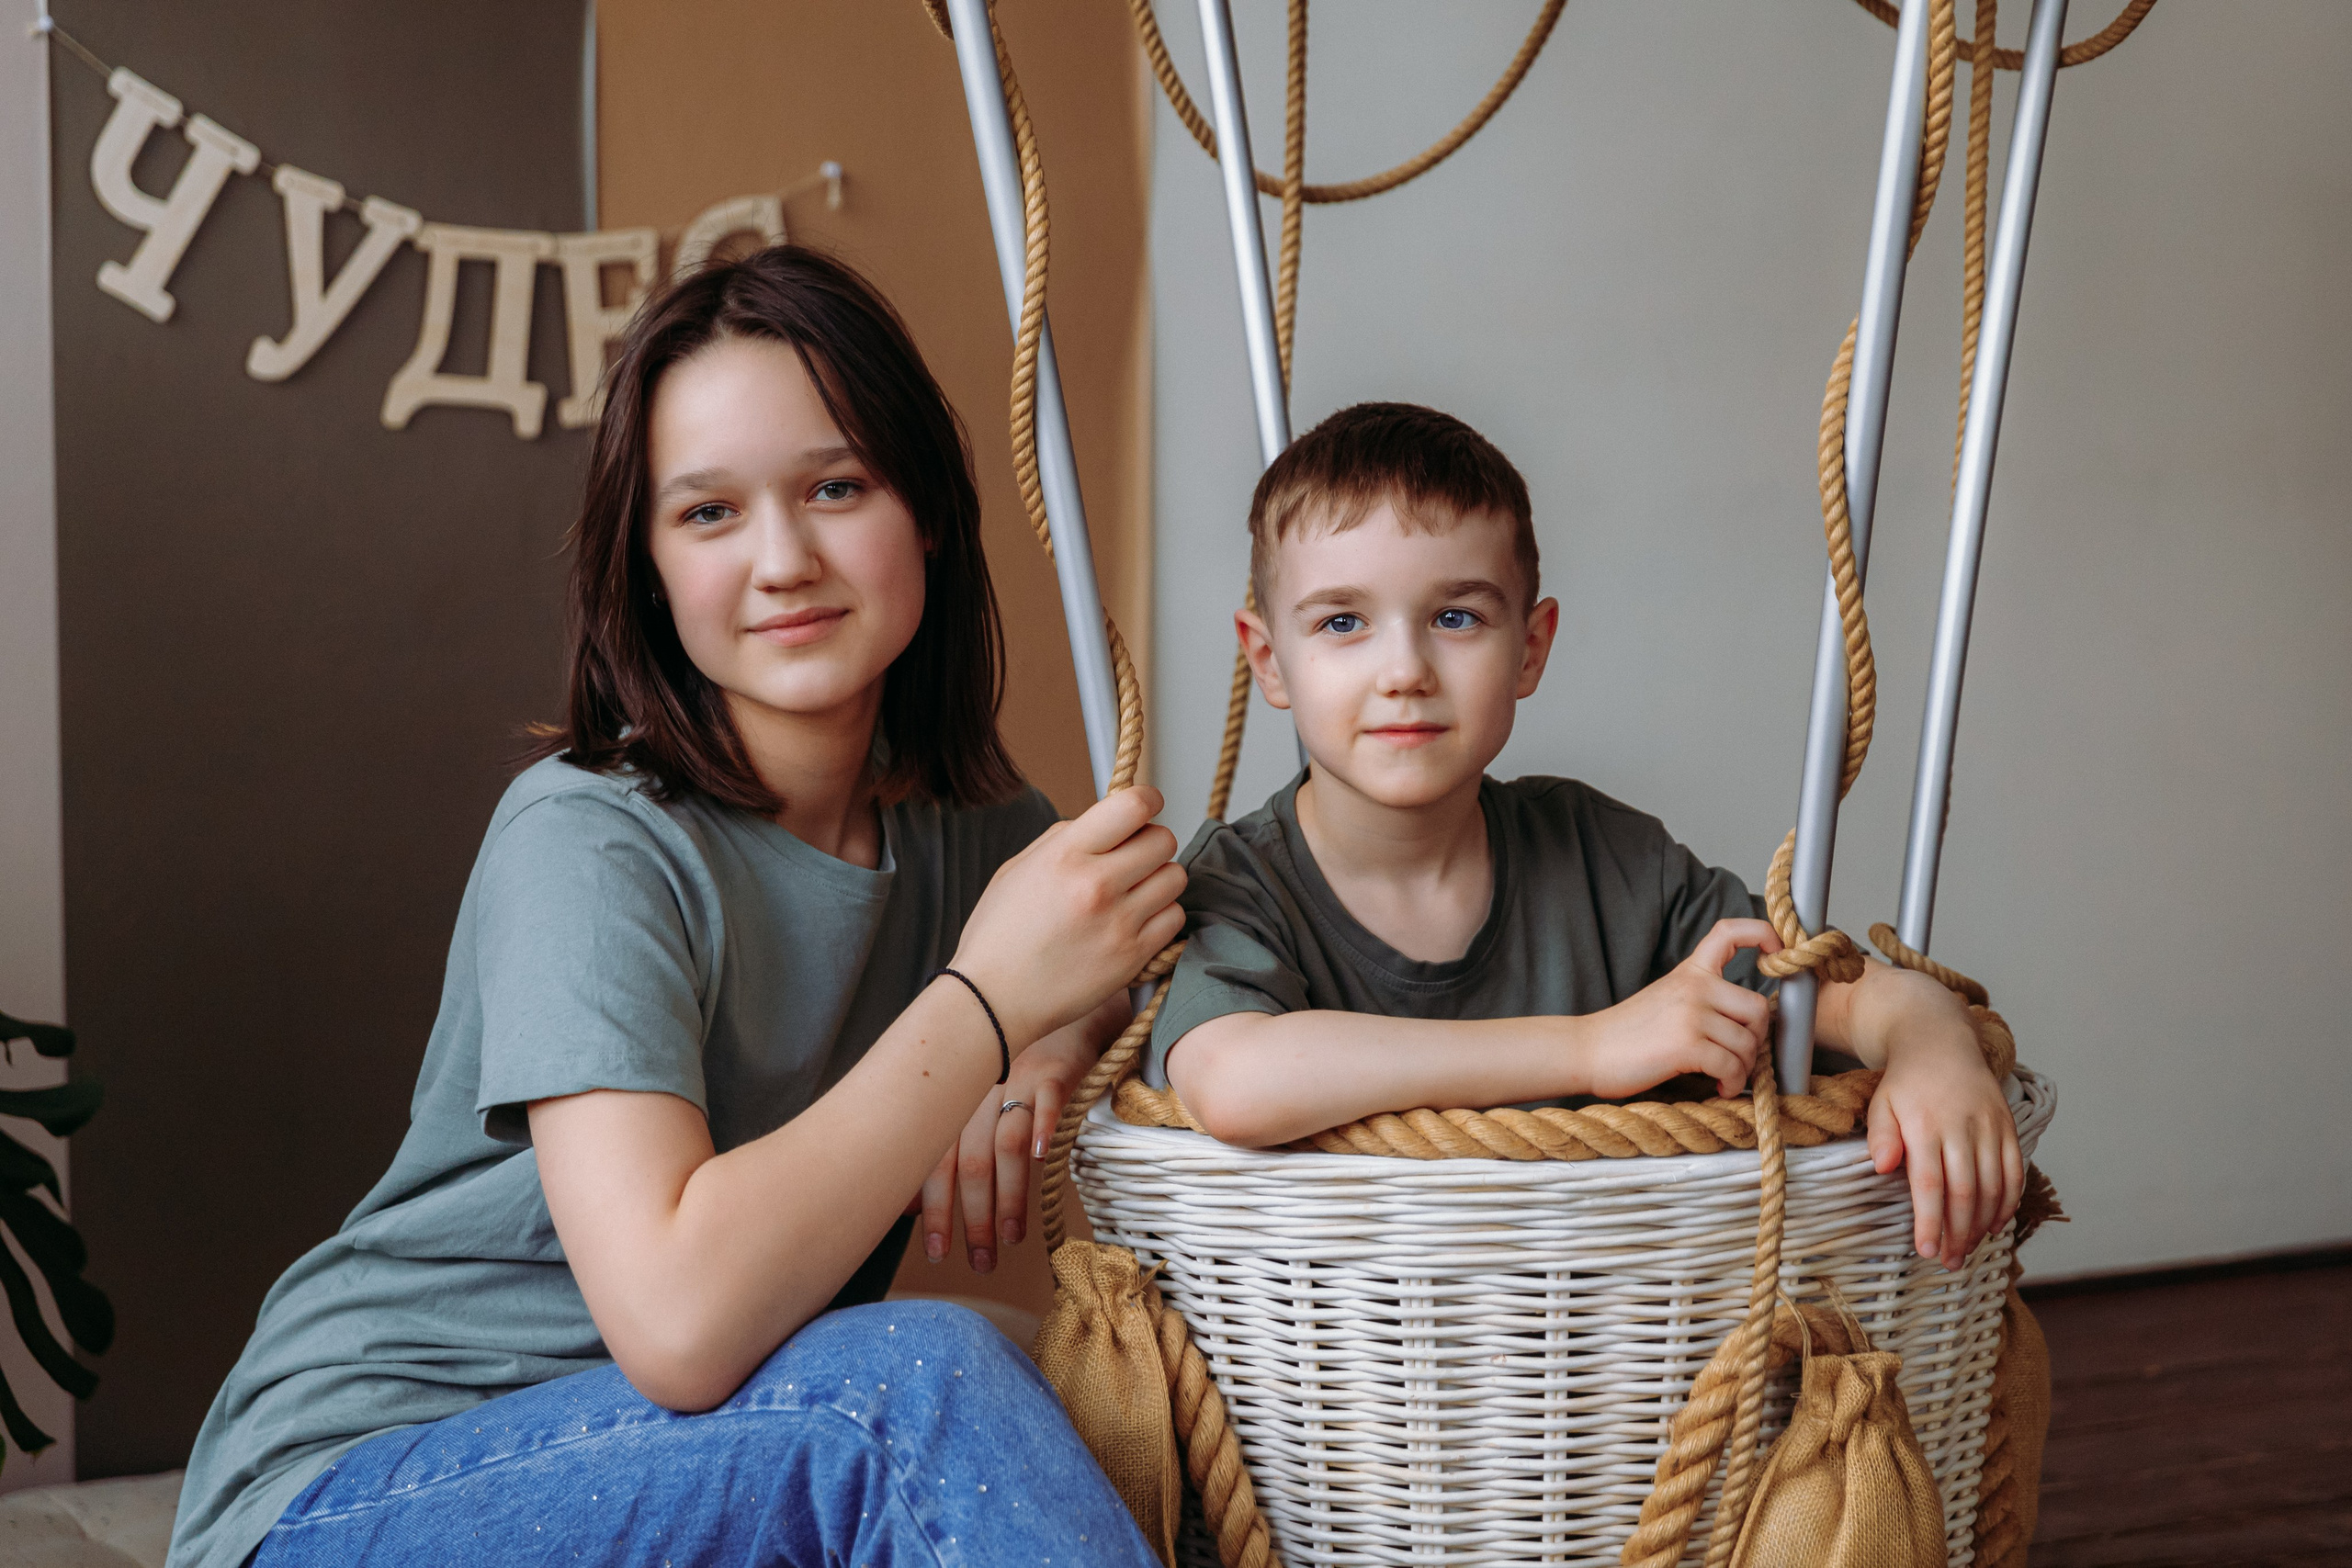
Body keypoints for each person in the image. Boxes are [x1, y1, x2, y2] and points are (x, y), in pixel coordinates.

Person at [168, 246, 1182, 1568]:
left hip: (668, 1463)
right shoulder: (585, 834)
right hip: (356, 1493)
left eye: (836, 486)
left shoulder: (972, 836)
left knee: (1017, 1369)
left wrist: (1048, 1034)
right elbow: (682, 1320)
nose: (783, 559)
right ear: (646, 560)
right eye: (708, 513)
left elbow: (1144, 939)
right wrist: (988, 1007)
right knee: (907, 1391)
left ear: (925, 507)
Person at [1152, 401, 2022, 1272]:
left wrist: (1928, 1037)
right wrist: (1590, 1046)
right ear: (1268, 660)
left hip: (1605, 1364)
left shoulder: (1599, 857)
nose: (1404, 671)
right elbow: (1235, 1079)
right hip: (1348, 1363)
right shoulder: (1237, 881)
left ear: (1531, 649)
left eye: (1456, 617)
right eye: (1342, 622)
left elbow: (1823, 990)